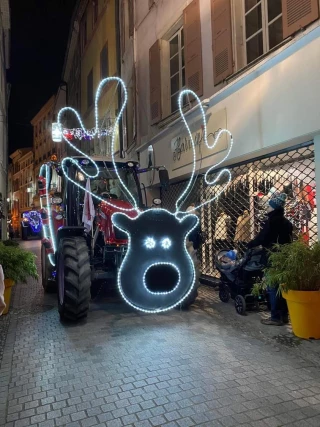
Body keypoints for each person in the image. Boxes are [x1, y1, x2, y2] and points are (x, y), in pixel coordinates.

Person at [247, 193, 293, 326]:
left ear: (274, 208)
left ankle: (275, 317)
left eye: (269, 206)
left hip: (272, 256)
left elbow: (263, 237)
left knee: (273, 287)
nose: (267, 208)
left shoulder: (271, 222)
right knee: (282, 287)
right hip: (283, 257)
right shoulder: (287, 223)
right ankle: (284, 315)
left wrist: (250, 244)